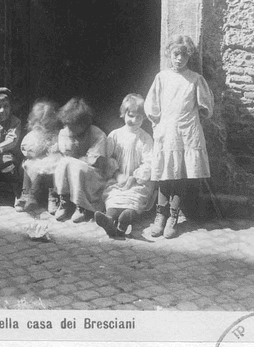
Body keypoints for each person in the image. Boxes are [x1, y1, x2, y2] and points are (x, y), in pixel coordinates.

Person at [144, 35, 214, 239]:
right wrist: (158, 123)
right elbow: (152, 105)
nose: (179, 59)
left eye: (184, 55)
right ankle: (160, 215)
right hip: (167, 131)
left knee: (181, 175)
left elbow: (206, 105)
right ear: (169, 54)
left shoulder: (194, 79)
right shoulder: (162, 77)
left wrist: (198, 116)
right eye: (176, 54)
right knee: (165, 175)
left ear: (188, 56)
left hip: (187, 131)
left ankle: (173, 217)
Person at [94, 93, 156, 239]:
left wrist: (135, 177)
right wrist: (117, 174)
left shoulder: (145, 139)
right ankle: (109, 219)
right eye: (131, 116)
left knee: (135, 197)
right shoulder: (115, 135)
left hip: (137, 181)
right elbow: (108, 159)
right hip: (118, 179)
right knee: (113, 195)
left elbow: (149, 162)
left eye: (139, 117)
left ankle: (125, 219)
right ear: (123, 114)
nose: (134, 120)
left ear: (144, 117)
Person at [53, 97, 112, 223]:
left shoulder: (97, 134)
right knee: (63, 163)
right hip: (73, 169)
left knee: (76, 166)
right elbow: (65, 153)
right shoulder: (65, 132)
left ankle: (82, 206)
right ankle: (64, 200)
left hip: (93, 174)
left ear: (84, 124)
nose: (70, 130)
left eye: (74, 126)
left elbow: (95, 160)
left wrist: (76, 158)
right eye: (68, 125)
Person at [18, 99, 61, 213]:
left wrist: (54, 148)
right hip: (35, 161)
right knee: (28, 165)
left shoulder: (56, 134)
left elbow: (59, 147)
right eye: (42, 123)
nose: (45, 126)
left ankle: (52, 197)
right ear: (36, 122)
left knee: (50, 167)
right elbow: (25, 148)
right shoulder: (34, 134)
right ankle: (26, 194)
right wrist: (34, 151)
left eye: (49, 122)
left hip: (51, 162)